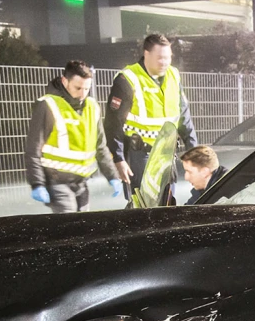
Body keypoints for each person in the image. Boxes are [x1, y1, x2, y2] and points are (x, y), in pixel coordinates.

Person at [104, 33, 198, 198]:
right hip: (140, 155)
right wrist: (118, 159)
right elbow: (113, 124)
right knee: (143, 209)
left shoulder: (173, 75)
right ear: (146, 54)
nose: (165, 62)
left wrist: (194, 151)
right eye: (160, 58)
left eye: (168, 57)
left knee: (168, 206)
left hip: (167, 154)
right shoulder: (128, 79)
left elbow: (184, 116)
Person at [25, 60, 122, 213]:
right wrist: (37, 184)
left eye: (87, 88)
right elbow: (33, 149)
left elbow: (100, 146)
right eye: (78, 88)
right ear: (65, 81)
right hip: (56, 182)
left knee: (83, 229)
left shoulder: (92, 107)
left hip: (81, 183)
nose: (82, 93)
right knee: (70, 228)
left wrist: (113, 176)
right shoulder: (47, 105)